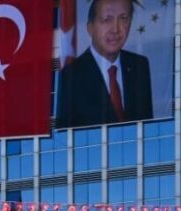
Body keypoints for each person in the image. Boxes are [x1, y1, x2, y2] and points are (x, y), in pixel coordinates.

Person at [56, 0, 153, 128]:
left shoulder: (139, 65)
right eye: (107, 20)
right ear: (90, 28)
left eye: (123, 18)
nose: (115, 29)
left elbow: (147, 126)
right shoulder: (71, 76)